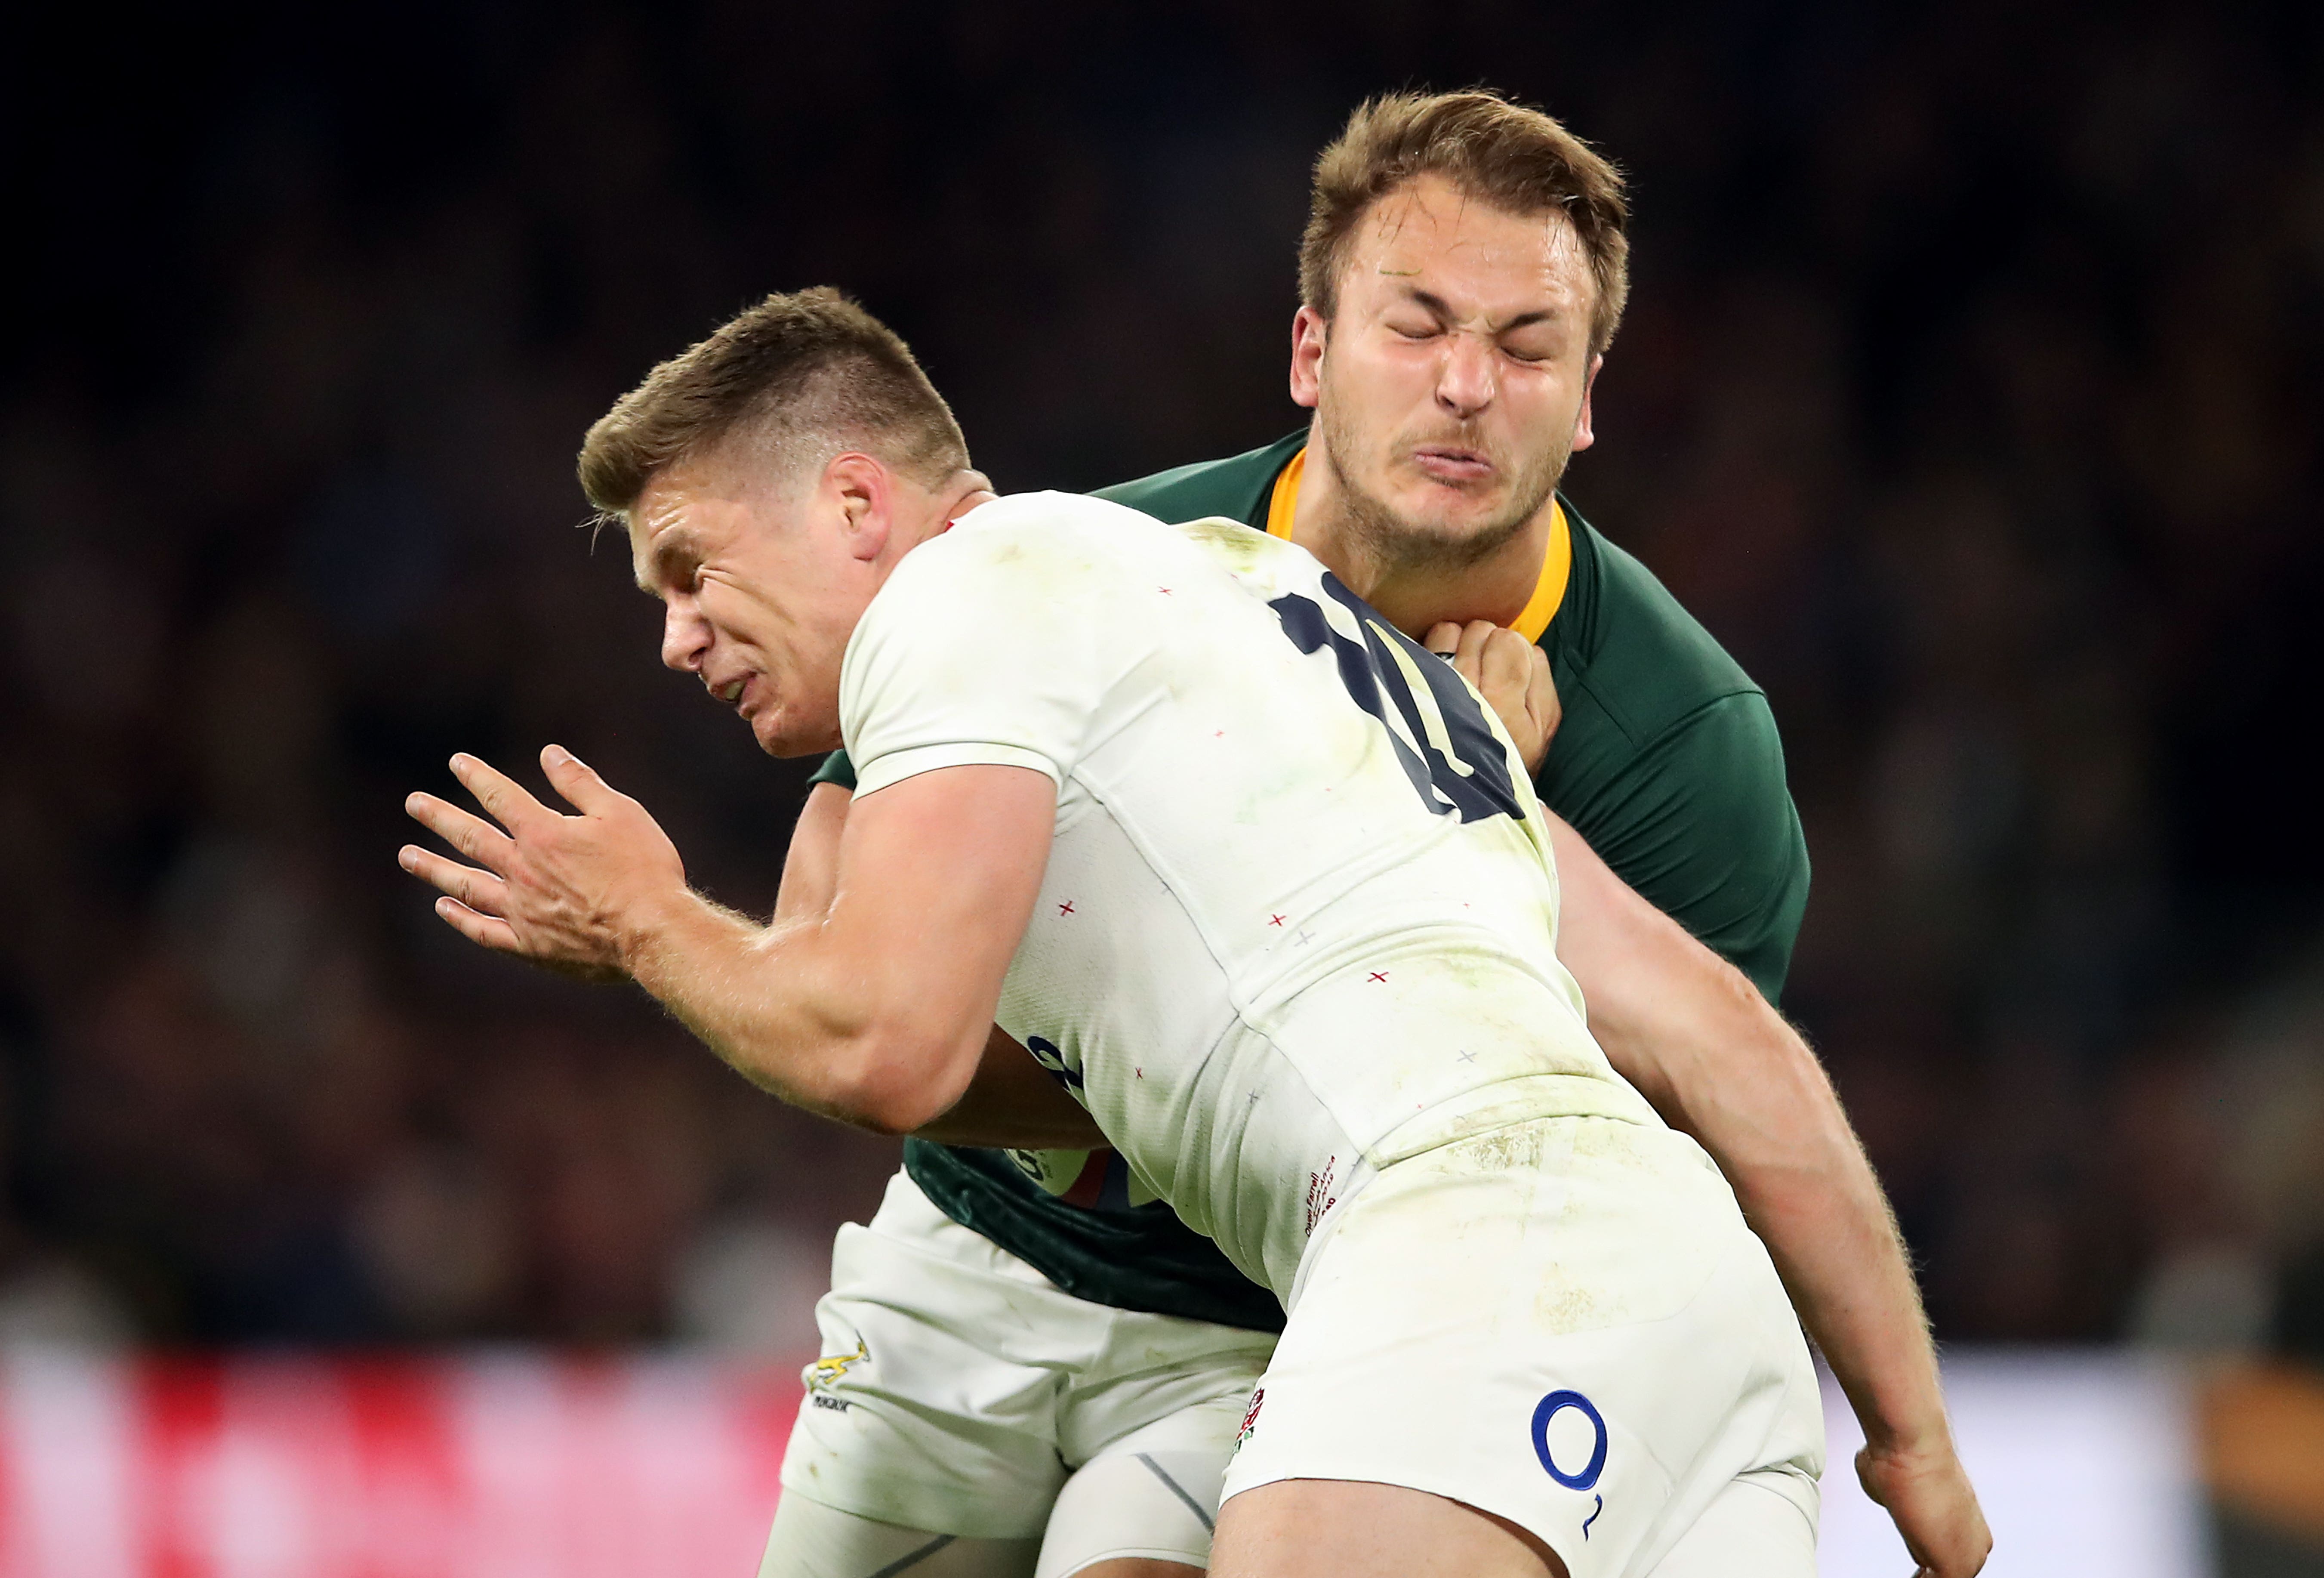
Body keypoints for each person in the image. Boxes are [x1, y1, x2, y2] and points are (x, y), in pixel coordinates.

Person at [400, 282, 1829, 1577]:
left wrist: (653, 924)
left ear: (853, 503)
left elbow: (875, 1035)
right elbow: (836, 985)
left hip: (1246, 1311)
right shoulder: (998, 632)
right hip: (972, 1263)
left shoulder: (1062, 588)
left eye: (688, 572)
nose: (674, 639)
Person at [763, 92, 1988, 1578]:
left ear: (1589, 393)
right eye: (1415, 326)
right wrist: (1147, 1080)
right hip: (976, 1250)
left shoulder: (1681, 747)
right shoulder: (1113, 559)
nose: (1467, 384)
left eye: (1528, 346)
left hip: (1297, 1323)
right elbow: (828, 918)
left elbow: (1573, 1157)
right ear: (1310, 352)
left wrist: (1483, 822)